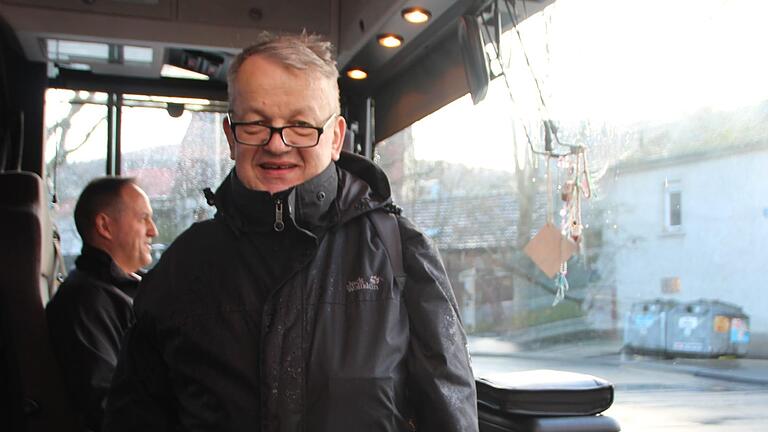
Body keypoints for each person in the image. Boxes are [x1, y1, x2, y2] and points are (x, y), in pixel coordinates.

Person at [104, 32, 477, 432]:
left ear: (335, 137)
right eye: (256, 125)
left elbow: (449, 414)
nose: (277, 145)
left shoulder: (401, 251)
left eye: (301, 125)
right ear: (231, 137)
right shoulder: (181, 268)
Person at [46, 177, 158, 431]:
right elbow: (108, 408)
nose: (153, 230)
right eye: (143, 218)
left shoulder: (125, 291)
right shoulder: (87, 301)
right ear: (104, 226)